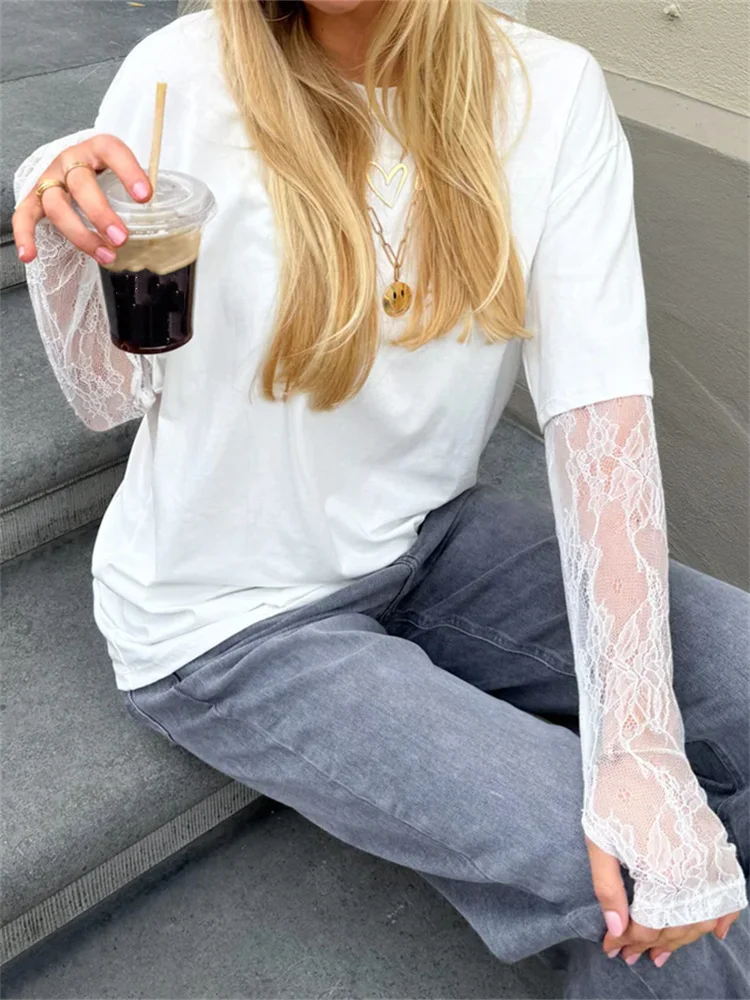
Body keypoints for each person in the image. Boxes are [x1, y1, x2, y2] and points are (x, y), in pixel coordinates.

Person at [12, 1, 748, 996]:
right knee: (627, 884)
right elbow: (112, 395)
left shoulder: (551, 91)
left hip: (425, 537)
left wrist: (642, 748)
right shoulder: (177, 71)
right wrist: (69, 247)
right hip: (226, 612)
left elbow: (600, 427)